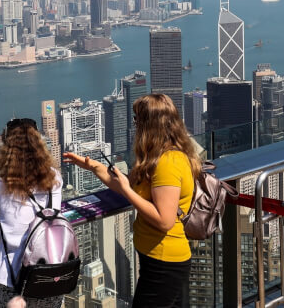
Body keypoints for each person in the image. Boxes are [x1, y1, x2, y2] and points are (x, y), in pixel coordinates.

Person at [64, 94, 200, 308]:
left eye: (137, 120)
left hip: (164, 261)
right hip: (157, 259)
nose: (134, 125)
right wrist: (93, 166)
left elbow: (164, 220)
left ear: (150, 124)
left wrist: (128, 190)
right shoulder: (157, 157)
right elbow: (127, 187)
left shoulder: (169, 163)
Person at [0, 118, 63, 308]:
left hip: (16, 284)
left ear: (7, 150)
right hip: (51, 280)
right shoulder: (54, 178)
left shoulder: (1, 185)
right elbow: (42, 218)